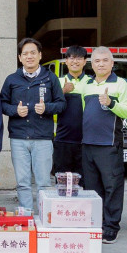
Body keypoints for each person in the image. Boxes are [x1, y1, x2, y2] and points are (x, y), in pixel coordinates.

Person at [1, 37, 66, 216]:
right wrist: (15, 110)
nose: (29, 56)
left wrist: (47, 108)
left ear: (40, 55)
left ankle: (45, 217)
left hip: (43, 137)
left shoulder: (50, 78)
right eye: (25, 53)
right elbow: (2, 104)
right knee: (22, 182)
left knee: (44, 181)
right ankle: (26, 216)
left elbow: (61, 104)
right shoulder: (12, 79)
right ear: (20, 58)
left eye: (33, 53)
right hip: (19, 138)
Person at [76, 46, 127, 243]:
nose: (100, 64)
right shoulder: (87, 85)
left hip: (109, 144)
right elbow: (87, 113)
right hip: (88, 144)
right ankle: (96, 222)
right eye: (97, 61)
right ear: (92, 64)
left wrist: (111, 103)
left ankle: (111, 225)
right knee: (92, 187)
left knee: (112, 187)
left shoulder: (122, 84)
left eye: (105, 60)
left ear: (112, 63)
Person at [53, 45, 90, 176]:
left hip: (86, 140)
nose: (75, 61)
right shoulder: (57, 82)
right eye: (72, 58)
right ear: (66, 61)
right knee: (62, 180)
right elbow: (48, 106)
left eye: (79, 58)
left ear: (85, 61)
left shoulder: (92, 82)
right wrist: (62, 91)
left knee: (85, 180)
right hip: (63, 140)